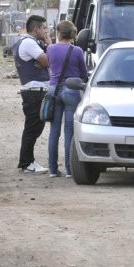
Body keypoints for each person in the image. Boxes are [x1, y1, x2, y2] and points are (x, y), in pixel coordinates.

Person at [47, 21, 87, 178]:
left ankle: (52, 169)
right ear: (72, 33)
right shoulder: (77, 50)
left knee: (54, 131)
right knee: (69, 131)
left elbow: (50, 66)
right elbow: (83, 73)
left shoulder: (50, 48)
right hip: (71, 90)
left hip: (54, 90)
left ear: (58, 32)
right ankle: (70, 170)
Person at [12, 15, 51, 173]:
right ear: (36, 29)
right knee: (32, 128)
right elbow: (48, 61)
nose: (46, 31)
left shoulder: (28, 42)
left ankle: (27, 161)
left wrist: (43, 61)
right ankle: (27, 162)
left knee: (34, 127)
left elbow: (43, 62)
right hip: (34, 92)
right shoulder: (28, 42)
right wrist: (49, 46)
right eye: (44, 28)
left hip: (34, 91)